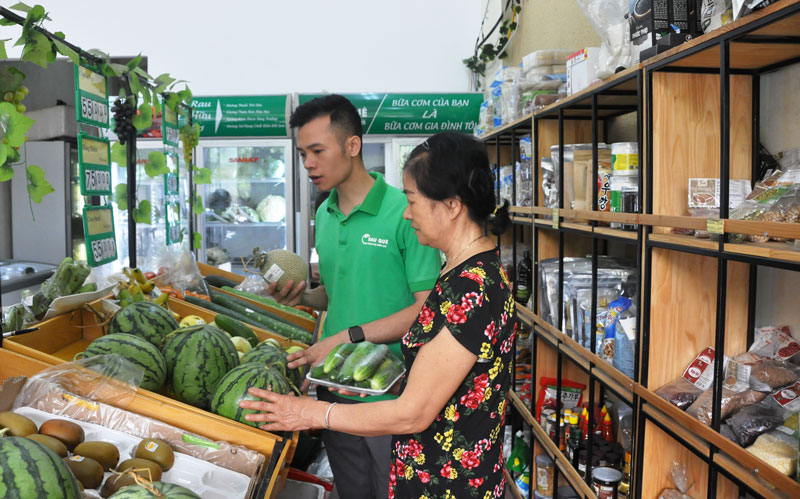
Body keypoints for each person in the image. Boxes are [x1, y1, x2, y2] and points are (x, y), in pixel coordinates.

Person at [243, 131, 515, 499]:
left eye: (413, 200)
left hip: (448, 486)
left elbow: (413, 414)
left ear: (451, 205)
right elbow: (452, 380)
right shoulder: (462, 272)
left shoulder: (472, 288)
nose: (406, 213)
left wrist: (311, 413)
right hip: (433, 475)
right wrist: (388, 381)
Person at [267, 94, 442, 499]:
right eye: (302, 153)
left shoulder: (405, 212)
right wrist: (303, 299)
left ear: (352, 146)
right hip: (334, 385)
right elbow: (337, 293)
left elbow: (425, 310)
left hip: (391, 391)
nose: (308, 163)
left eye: (317, 151)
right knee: (352, 492)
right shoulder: (325, 215)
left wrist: (347, 337)